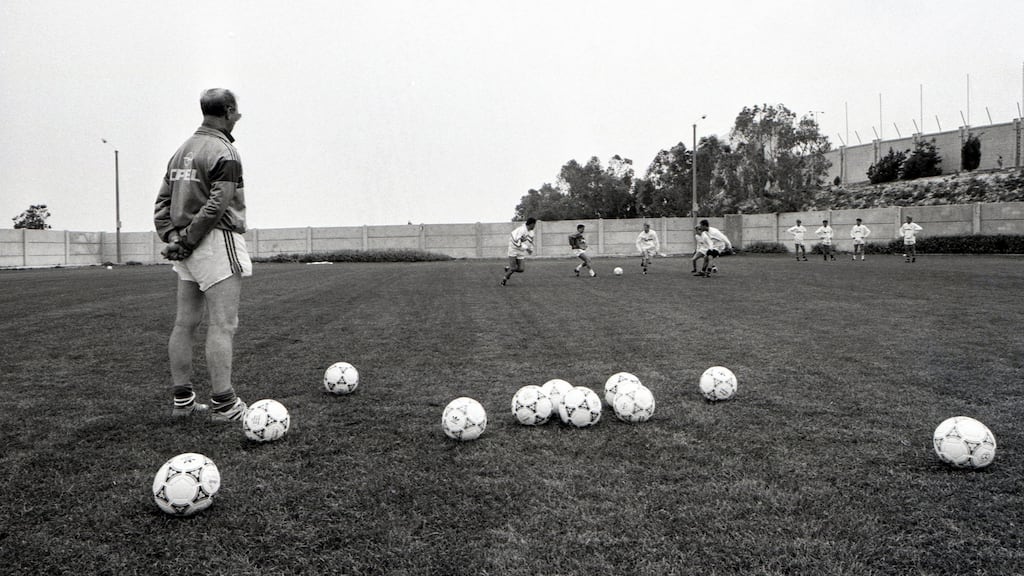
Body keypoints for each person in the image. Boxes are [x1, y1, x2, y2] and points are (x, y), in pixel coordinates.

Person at [154, 88, 251, 421]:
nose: (239, 116)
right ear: (227, 111)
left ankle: (183, 404)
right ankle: (225, 405)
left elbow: (162, 204)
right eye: (237, 111)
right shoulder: (225, 151)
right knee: (223, 324)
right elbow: (217, 203)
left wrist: (173, 237)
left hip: (186, 245)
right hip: (213, 242)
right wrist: (189, 241)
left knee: (185, 323)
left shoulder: (181, 151)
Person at [501, 217, 536, 285]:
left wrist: (530, 249)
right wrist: (527, 248)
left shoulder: (531, 232)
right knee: (513, 268)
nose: (534, 226)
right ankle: (504, 280)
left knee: (521, 269)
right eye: (534, 224)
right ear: (531, 224)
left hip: (520, 250)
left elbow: (530, 241)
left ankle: (508, 268)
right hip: (513, 249)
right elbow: (517, 242)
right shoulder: (521, 230)